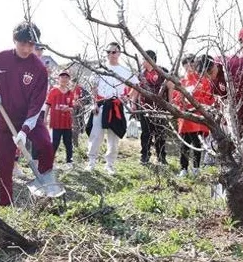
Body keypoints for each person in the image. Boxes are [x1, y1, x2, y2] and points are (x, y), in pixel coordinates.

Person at [0, 22, 54, 206]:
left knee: (46, 145)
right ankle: (5, 202)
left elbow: (37, 104)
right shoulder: (0, 59)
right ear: (14, 41)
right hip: (5, 118)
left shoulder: (39, 68)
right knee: (4, 163)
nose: (26, 49)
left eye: (31, 45)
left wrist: (24, 130)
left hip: (30, 119)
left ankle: (46, 192)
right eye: (23, 43)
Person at [86, 42, 138, 175]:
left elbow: (136, 85)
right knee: (96, 134)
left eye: (114, 52)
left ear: (119, 53)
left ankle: (109, 164)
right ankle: (91, 162)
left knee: (113, 137)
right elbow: (93, 86)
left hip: (116, 105)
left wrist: (128, 97)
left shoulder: (124, 71)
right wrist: (94, 103)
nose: (111, 55)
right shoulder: (101, 68)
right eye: (108, 52)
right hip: (101, 103)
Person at [172, 54, 214, 177]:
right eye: (186, 63)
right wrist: (182, 101)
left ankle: (196, 168)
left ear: (196, 64)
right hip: (185, 116)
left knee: (196, 142)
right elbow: (175, 98)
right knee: (184, 143)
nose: (189, 65)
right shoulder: (181, 82)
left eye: (191, 62)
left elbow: (208, 98)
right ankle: (183, 169)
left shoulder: (203, 80)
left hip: (197, 115)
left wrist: (197, 100)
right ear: (183, 66)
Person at [132, 50, 170, 165]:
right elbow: (136, 90)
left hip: (160, 109)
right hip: (145, 108)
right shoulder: (141, 74)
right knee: (146, 133)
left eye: (144, 59)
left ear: (150, 60)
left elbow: (170, 88)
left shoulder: (162, 71)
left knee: (160, 133)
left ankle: (161, 158)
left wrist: (169, 104)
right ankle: (145, 156)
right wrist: (133, 103)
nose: (142, 61)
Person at [44, 70, 75, 169]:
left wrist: (68, 108)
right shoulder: (53, 91)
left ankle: (69, 161)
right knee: (54, 143)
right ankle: (50, 162)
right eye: (62, 77)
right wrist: (45, 118)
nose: (64, 79)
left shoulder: (70, 93)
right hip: (56, 122)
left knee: (68, 142)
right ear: (58, 79)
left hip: (67, 122)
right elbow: (48, 104)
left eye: (66, 77)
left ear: (69, 80)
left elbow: (72, 107)